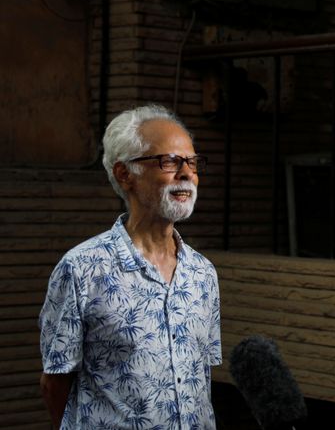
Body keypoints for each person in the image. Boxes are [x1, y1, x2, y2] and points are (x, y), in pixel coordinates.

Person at [38, 104, 222, 429]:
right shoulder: (82, 269)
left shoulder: (203, 273)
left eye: (192, 162)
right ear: (126, 175)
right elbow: (55, 383)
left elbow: (201, 379)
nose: (186, 173)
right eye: (169, 161)